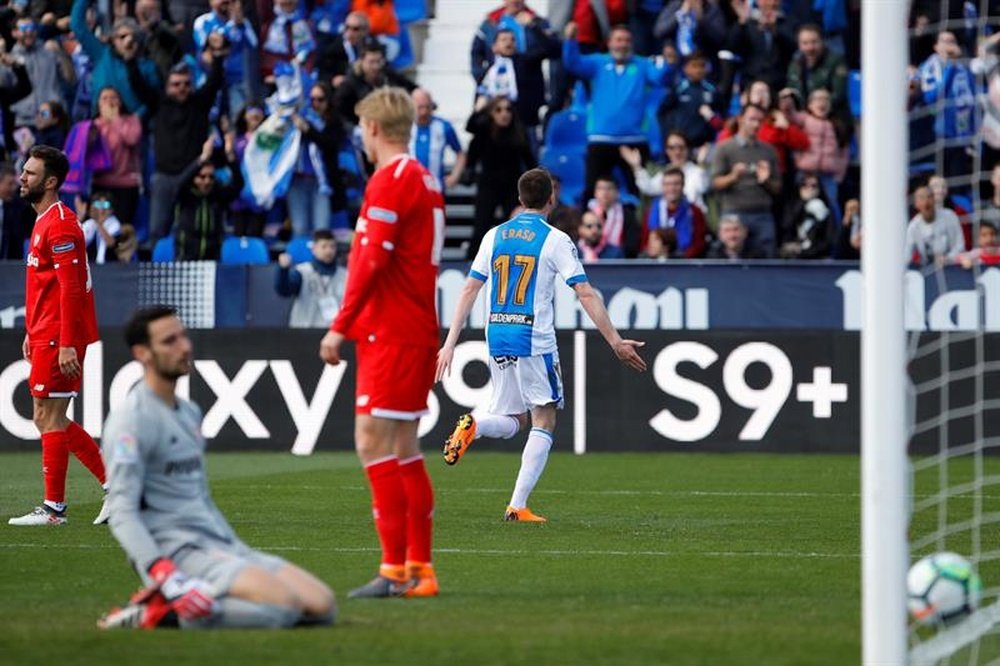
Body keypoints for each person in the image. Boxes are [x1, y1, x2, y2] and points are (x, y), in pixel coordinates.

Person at [97, 306, 336, 630]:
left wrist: (231, 544)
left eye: (183, 336)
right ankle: (160, 612)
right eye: (170, 341)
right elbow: (123, 511)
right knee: (285, 608)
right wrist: (163, 571)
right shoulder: (131, 419)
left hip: (222, 545)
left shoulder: (189, 412)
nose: (184, 346)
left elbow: (199, 495)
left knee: (323, 606)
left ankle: (187, 603)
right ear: (143, 354)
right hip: (180, 555)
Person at [436, 168, 647, 522]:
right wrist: (614, 341)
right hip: (533, 338)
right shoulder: (555, 240)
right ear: (552, 198)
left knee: (514, 418)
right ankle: (517, 505)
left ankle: (475, 422)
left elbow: (470, 288)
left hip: (497, 335)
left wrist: (449, 343)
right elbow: (583, 291)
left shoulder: (494, 235)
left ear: (520, 199)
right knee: (544, 420)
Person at [318, 87, 444, 599]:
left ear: (372, 129)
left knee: (371, 441)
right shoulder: (425, 178)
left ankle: (395, 570)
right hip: (413, 325)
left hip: (391, 330)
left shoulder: (391, 180)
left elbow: (369, 261)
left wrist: (340, 324)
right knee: (403, 445)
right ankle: (420, 571)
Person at [9, 144, 108, 527]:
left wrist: (67, 341)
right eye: (24, 170)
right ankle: (115, 486)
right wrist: (30, 330)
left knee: (49, 416)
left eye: (30, 173)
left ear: (51, 182)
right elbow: (45, 286)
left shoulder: (62, 224)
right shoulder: (45, 220)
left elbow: (70, 288)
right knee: (46, 416)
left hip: (58, 335)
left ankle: (54, 510)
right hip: (45, 332)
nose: (22, 177)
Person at [562, 22, 671, 200]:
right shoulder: (598, 62)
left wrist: (669, 63)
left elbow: (660, 78)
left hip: (634, 140)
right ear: (609, 42)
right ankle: (588, 226)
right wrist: (570, 40)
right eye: (618, 40)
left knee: (640, 193)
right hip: (601, 138)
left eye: (627, 40)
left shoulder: (642, 64)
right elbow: (572, 64)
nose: (623, 44)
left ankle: (636, 227)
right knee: (591, 191)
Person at [710, 103, 782, 257]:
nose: (756, 124)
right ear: (741, 119)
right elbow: (714, 183)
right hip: (733, 213)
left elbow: (777, 189)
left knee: (766, 262)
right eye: (752, 119)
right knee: (728, 265)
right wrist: (733, 176)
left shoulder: (769, 151)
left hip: (762, 214)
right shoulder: (724, 148)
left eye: (759, 120)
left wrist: (766, 180)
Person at [275, 229, 347, 328]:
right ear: (314, 249)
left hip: (332, 333)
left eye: (332, 246)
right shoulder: (301, 272)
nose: (328, 251)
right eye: (324, 246)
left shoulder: (345, 275)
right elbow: (284, 291)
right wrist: (283, 271)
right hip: (303, 332)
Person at [409, 88, 466, 191]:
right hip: (409, 188)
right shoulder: (404, 127)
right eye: (420, 107)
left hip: (435, 189)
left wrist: (454, 176)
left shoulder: (443, 127)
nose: (424, 112)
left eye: (428, 107)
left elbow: (460, 153)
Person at [905, 183, 965, 267]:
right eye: (921, 198)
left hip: (953, 266)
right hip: (928, 271)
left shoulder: (950, 216)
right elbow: (907, 256)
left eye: (929, 197)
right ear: (916, 204)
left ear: (934, 199)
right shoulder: (913, 227)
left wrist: (947, 258)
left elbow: (960, 246)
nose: (926, 202)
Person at [81, 191, 122, 264]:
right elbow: (79, 243)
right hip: (91, 266)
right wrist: (80, 218)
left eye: (105, 205)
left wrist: (98, 223)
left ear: (111, 209)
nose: (101, 210)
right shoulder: (89, 223)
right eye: (98, 205)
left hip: (110, 266)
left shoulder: (115, 224)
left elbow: (111, 243)